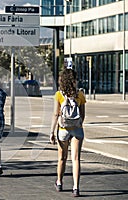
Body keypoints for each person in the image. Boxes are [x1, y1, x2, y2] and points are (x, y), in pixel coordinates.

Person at [49, 67, 86, 197]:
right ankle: (76, 187)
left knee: (62, 158)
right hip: (77, 129)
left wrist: (52, 132)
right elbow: (82, 115)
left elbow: (55, 114)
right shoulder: (80, 94)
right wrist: (77, 124)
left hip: (63, 130)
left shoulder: (59, 95)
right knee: (76, 159)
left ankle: (59, 182)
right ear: (74, 80)